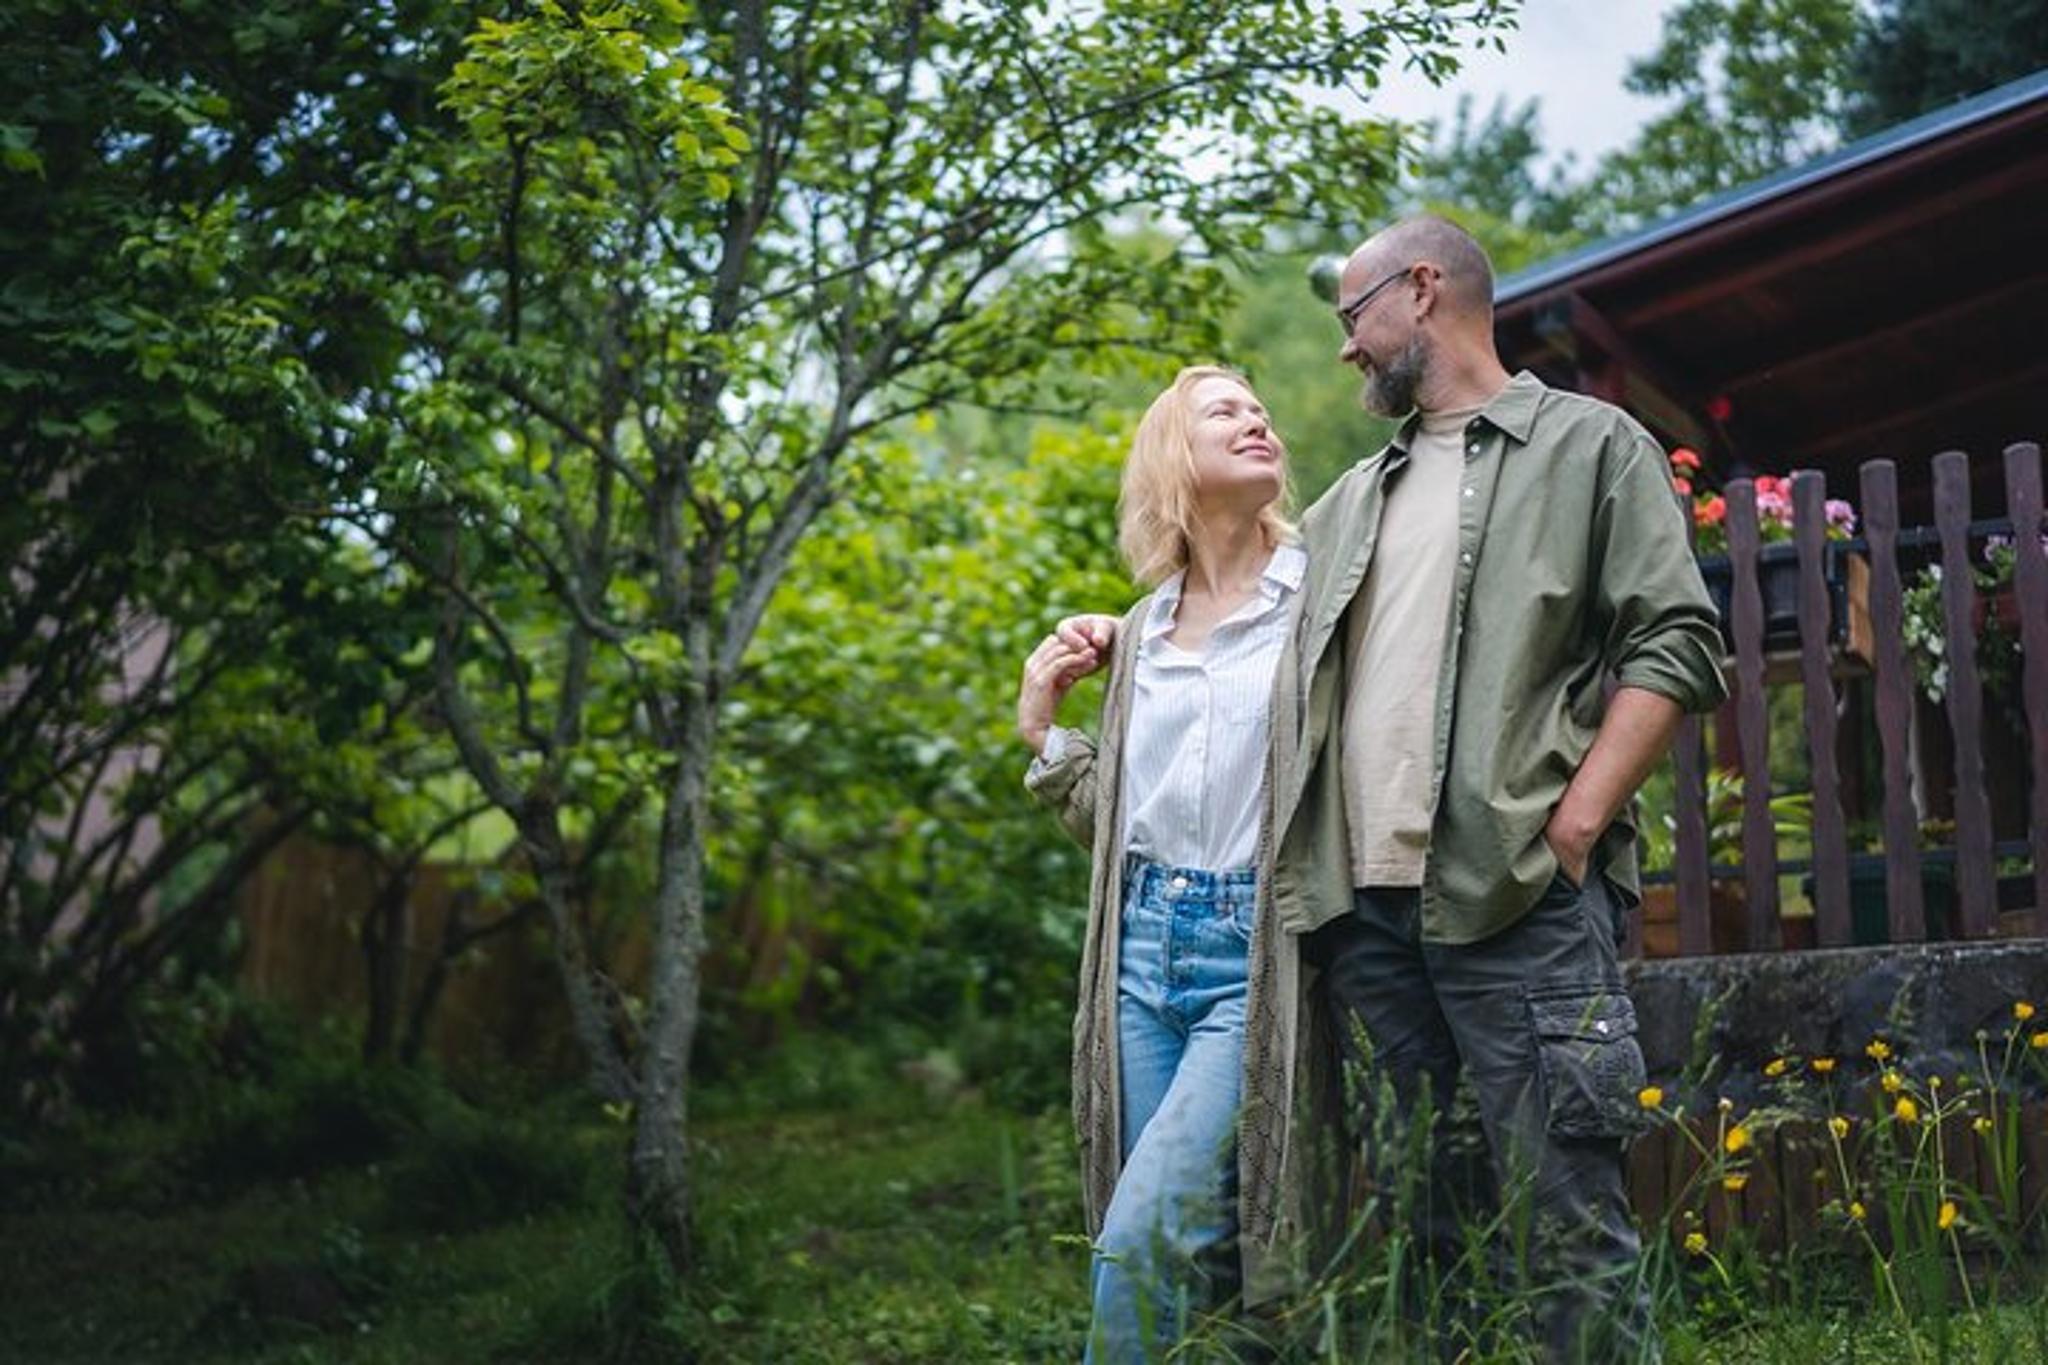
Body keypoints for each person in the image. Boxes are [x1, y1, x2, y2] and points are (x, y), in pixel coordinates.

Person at [1056, 215, 1728, 1361]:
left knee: (1568, 1221)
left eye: (1351, 317)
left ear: (1419, 291)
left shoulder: (1588, 448)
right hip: (1366, 923)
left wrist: (1574, 824)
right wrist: (1122, 647)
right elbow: (1234, 626)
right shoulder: (1350, 502)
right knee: (1424, 1232)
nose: (1343, 349)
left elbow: (1674, 642)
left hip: (1517, 899)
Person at [1017, 365, 1309, 1363]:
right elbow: (1121, 832)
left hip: (1251, 950)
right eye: (1226, 411)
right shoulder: (1140, 632)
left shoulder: (1313, 602)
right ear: (1173, 457)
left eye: (1260, 409)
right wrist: (1044, 731)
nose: (1256, 420)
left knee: (1143, 1239)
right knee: (1184, 1250)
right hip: (1140, 954)